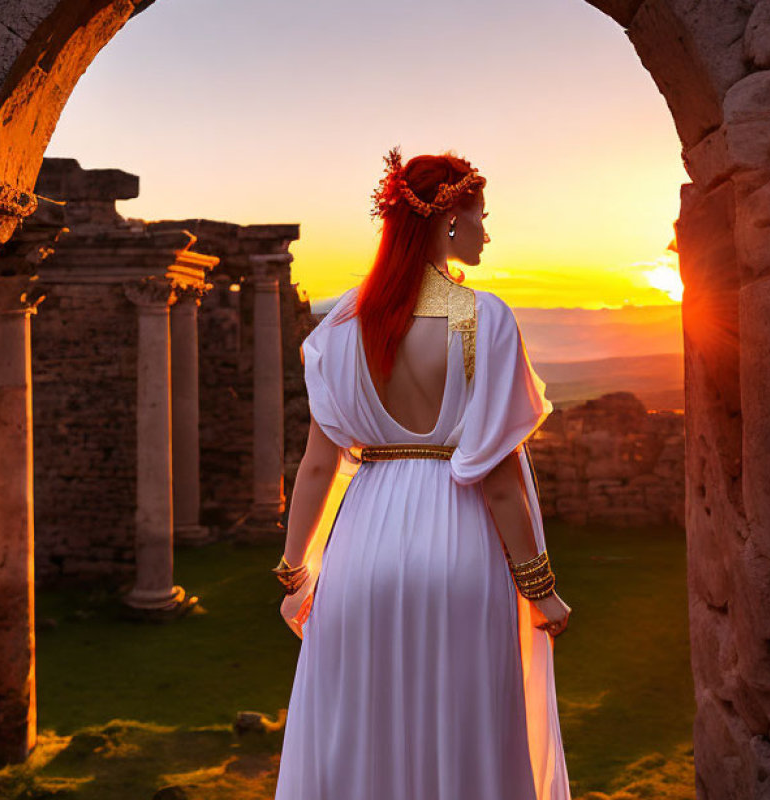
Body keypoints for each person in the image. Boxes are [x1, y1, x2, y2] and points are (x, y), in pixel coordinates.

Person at [272, 146, 573, 800]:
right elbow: (494, 476)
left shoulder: (344, 325)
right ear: (447, 223)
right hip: (458, 546)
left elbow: (320, 464)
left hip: (361, 551)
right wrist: (539, 587)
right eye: (480, 217)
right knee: (465, 741)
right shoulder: (483, 319)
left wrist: (296, 571)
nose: (487, 231)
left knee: (362, 743)